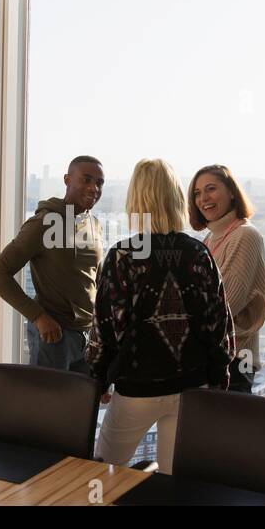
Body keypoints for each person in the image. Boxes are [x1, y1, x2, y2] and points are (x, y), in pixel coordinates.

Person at [87, 158, 234, 473]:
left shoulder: (122, 257)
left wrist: (99, 379)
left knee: (99, 473)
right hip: (192, 389)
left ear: (136, 200)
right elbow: (218, 324)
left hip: (137, 390)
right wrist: (218, 382)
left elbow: (105, 328)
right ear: (176, 198)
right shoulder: (199, 253)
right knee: (174, 487)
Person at [0, 155, 105, 373]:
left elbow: (97, 278)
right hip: (55, 336)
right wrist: (38, 317)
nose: (93, 188)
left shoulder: (94, 224)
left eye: (99, 183)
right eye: (86, 180)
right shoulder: (44, 222)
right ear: (67, 180)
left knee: (81, 407)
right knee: (48, 406)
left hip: (88, 337)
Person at [190, 164, 265, 394]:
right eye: (197, 193)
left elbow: (226, 304)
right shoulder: (210, 238)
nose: (203, 198)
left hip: (235, 360)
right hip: (213, 356)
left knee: (227, 429)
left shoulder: (246, 235)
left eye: (211, 189)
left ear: (232, 192)